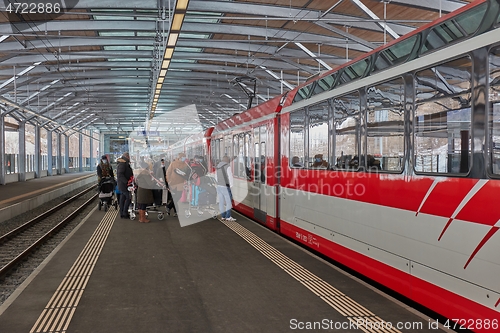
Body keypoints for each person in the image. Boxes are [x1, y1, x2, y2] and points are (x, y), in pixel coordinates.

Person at [165, 152, 190, 217]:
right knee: (175, 197)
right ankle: (176, 211)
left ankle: (169, 206)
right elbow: (168, 172)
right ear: (179, 158)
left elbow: (187, 173)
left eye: (184, 157)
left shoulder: (185, 165)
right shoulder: (173, 164)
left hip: (180, 183)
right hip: (173, 183)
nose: (184, 159)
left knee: (177, 197)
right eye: (183, 157)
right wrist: (168, 180)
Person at [215, 155, 235, 222]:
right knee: (228, 202)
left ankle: (223, 216)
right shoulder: (227, 166)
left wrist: (218, 183)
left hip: (219, 186)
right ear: (227, 160)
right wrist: (231, 186)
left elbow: (216, 177)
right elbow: (230, 177)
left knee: (221, 202)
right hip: (225, 187)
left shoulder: (217, 167)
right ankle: (228, 217)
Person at [117, 152, 134, 219]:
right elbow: (120, 174)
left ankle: (122, 213)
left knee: (123, 198)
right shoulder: (122, 164)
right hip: (124, 184)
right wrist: (127, 182)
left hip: (123, 184)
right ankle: (124, 213)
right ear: (127, 156)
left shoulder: (123, 163)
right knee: (128, 197)